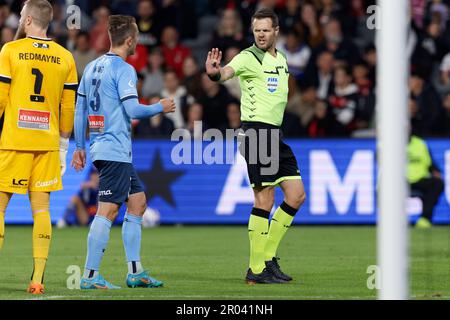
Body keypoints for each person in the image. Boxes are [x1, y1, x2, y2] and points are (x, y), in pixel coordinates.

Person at [72, 15, 176, 290]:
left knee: (138, 201)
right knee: (107, 211)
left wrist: (80, 147)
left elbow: (79, 110)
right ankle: (90, 275)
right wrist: (159, 106)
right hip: (114, 148)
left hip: (100, 147)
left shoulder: (92, 67)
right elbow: (133, 111)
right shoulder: (124, 69)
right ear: (129, 40)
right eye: (137, 38)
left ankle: (135, 272)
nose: (138, 42)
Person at [205, 8, 306, 284]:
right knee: (264, 199)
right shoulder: (248, 57)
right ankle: (256, 269)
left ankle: (268, 259)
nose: (260, 34)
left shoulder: (282, 59)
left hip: (275, 134)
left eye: (265, 30)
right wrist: (215, 73)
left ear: (276, 31)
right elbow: (225, 73)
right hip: (257, 132)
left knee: (296, 195)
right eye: (256, 30)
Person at [0, 0, 77, 294]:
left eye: (21, 15)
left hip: (14, 142)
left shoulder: (11, 50)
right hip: (46, 144)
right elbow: (68, 104)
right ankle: (38, 280)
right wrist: (63, 145)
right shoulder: (65, 56)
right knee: (42, 210)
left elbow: (1, 97)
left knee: (0, 207)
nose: (18, 19)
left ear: (30, 20)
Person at [408, 135, 444, 228]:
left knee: (437, 183)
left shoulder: (420, 143)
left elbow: (430, 163)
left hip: (420, 180)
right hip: (399, 181)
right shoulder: (391, 144)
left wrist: (436, 172)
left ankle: (425, 219)